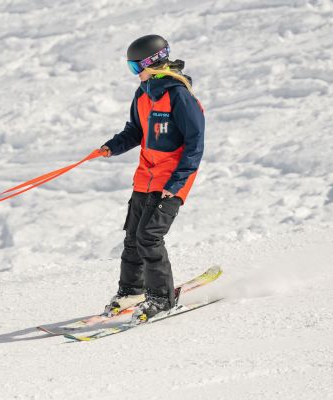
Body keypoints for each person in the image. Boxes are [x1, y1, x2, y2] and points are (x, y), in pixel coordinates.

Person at [100, 34, 205, 323]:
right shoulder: (143, 94)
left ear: (152, 64)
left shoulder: (179, 95)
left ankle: (162, 297)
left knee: (150, 237)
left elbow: (195, 144)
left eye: (136, 68)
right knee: (133, 236)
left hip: (171, 181)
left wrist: (176, 184)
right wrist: (113, 146)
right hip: (144, 178)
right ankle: (132, 291)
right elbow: (135, 130)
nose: (135, 75)